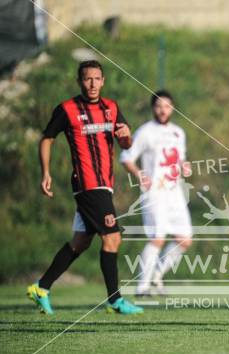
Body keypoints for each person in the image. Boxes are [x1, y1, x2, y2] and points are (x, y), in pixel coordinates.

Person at [26, 60, 143, 314]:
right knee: (112, 237)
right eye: (87, 79)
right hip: (87, 185)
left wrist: (126, 138)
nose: (92, 83)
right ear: (80, 81)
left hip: (105, 185)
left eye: (97, 78)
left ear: (103, 81)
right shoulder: (67, 109)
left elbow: (125, 142)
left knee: (80, 242)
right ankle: (115, 301)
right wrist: (45, 172)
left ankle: (41, 287)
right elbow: (47, 138)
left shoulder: (111, 108)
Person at [121, 90, 193, 296]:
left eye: (167, 106)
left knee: (184, 240)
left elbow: (179, 160)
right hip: (154, 193)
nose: (163, 110)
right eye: (159, 106)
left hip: (175, 192)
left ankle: (156, 276)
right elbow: (127, 157)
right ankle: (142, 286)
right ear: (153, 108)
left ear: (172, 108)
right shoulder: (146, 131)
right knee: (158, 238)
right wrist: (139, 174)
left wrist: (184, 166)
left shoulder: (179, 132)